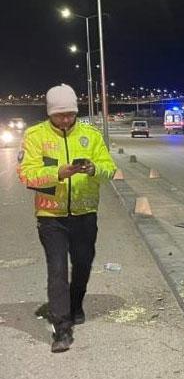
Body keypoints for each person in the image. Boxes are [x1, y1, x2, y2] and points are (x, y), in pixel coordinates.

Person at [17, 84, 117, 352]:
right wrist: (58, 174)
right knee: (57, 271)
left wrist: (94, 168)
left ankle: (75, 304)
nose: (65, 120)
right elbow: (26, 174)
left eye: (70, 114)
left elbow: (110, 169)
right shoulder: (35, 136)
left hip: (85, 214)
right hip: (51, 216)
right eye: (60, 115)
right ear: (49, 113)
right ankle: (61, 329)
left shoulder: (90, 135)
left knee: (83, 264)